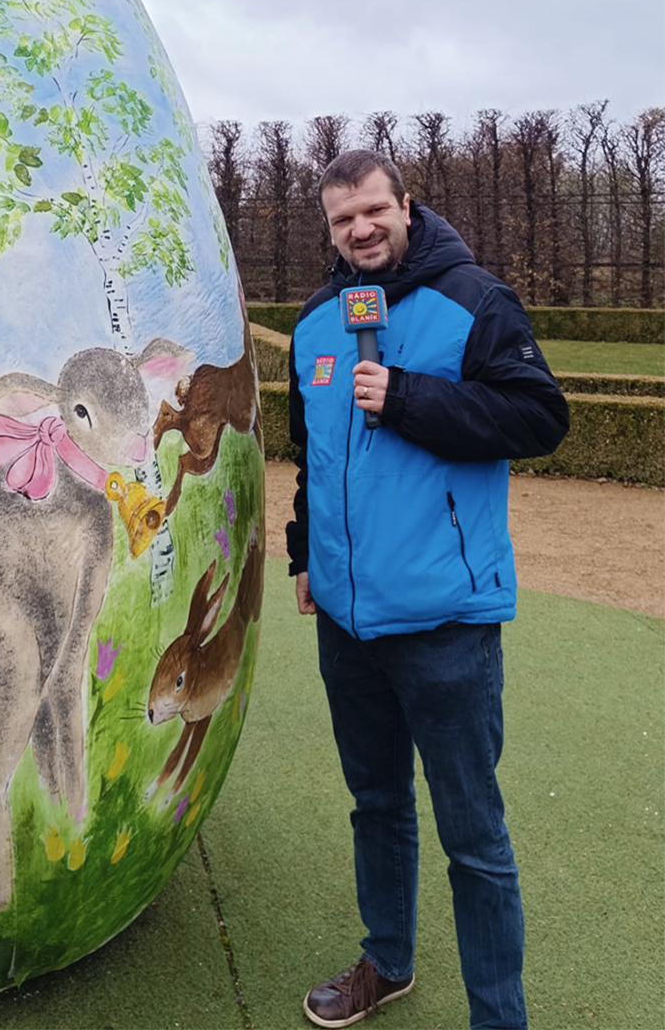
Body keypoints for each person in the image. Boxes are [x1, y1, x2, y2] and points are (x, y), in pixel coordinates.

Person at [285, 150, 569, 1030]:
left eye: (374, 210)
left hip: (446, 622)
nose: (361, 230)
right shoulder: (317, 324)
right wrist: (304, 556)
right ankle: (388, 964)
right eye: (342, 220)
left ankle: (498, 1016)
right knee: (376, 805)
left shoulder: (476, 300)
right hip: (346, 620)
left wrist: (408, 396)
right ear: (329, 230)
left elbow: (538, 417)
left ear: (406, 205)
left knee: (474, 839)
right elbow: (312, 459)